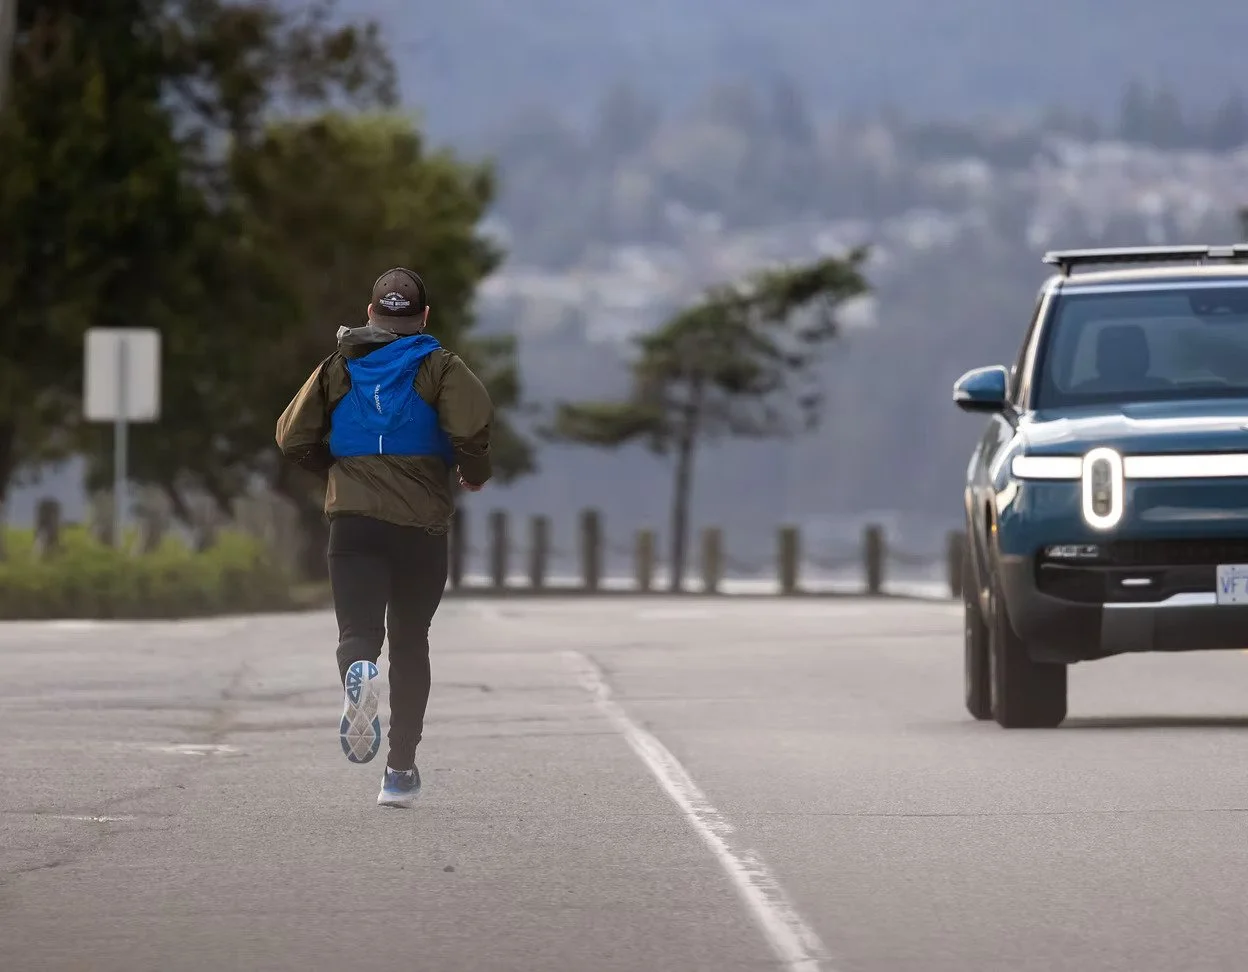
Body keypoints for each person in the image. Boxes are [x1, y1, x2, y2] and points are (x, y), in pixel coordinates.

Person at [275, 267, 493, 808]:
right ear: (423, 317)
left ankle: (358, 672)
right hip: (420, 526)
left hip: (353, 523)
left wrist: (336, 469)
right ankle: (399, 771)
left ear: (371, 313)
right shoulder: (439, 364)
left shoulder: (338, 365)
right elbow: (470, 425)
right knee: (411, 638)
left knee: (357, 630)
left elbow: (291, 435)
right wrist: (474, 471)